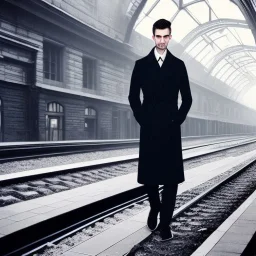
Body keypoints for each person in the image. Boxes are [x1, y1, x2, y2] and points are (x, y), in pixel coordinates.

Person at [128, 19, 193, 241]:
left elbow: (187, 98)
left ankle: (165, 224)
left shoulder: (179, 65)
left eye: (166, 36)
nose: (162, 40)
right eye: (158, 36)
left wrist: (177, 120)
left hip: (171, 130)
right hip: (149, 128)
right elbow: (132, 96)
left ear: (170, 37)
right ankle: (155, 206)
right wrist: (142, 120)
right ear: (153, 36)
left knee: (171, 180)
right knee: (150, 178)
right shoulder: (141, 65)